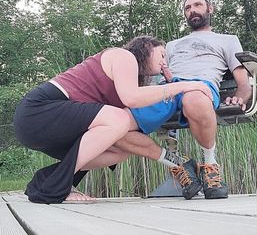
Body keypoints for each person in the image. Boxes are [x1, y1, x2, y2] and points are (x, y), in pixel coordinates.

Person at [13, 35, 212, 204]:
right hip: (38, 112)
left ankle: (47, 180)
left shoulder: (129, 78)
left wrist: (173, 90)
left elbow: (131, 112)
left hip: (46, 127)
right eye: (161, 55)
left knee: (119, 151)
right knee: (118, 119)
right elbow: (131, 98)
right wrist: (185, 86)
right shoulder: (123, 56)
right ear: (146, 47)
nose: (164, 63)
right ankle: (56, 188)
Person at [129, 0, 252, 200]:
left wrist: (240, 96)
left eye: (197, 5)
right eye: (187, 8)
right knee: (118, 121)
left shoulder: (227, 40)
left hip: (201, 86)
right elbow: (160, 71)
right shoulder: (173, 45)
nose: (192, 10)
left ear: (209, 8)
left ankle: (209, 165)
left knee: (193, 98)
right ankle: (177, 164)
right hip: (169, 89)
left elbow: (243, 80)